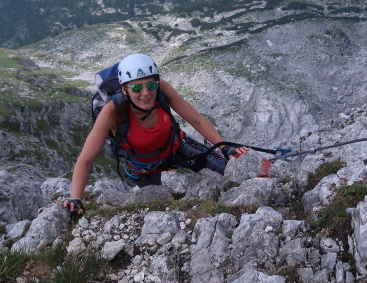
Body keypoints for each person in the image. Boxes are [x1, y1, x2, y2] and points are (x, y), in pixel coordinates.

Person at [63, 53, 247, 216]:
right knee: (160, 208)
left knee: (231, 168)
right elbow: (85, 160)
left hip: (177, 146)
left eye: (151, 85)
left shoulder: (162, 90)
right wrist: (76, 199)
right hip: (142, 168)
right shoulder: (112, 113)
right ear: (124, 89)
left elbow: (196, 120)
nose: (146, 93)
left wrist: (225, 147)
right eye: (136, 88)